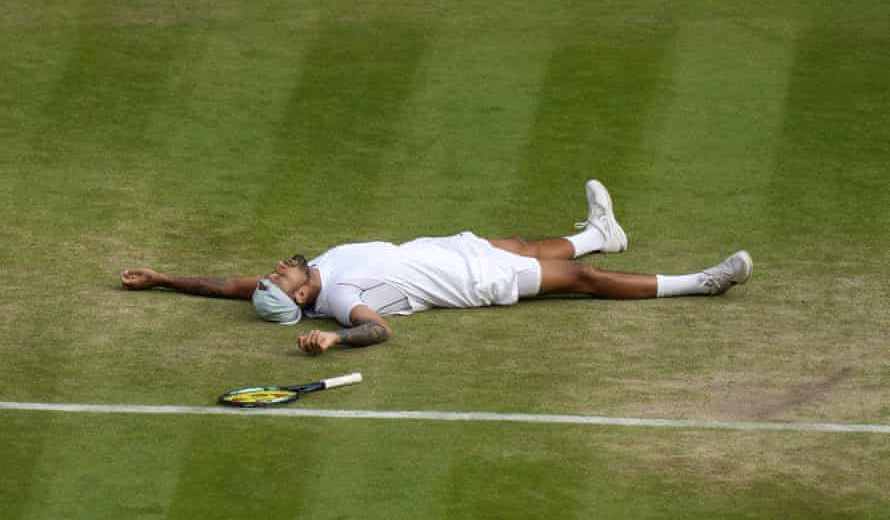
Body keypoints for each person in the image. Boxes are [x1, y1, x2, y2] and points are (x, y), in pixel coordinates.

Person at [121, 180, 752, 355]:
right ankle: (701, 282)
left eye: (272, 272)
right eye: (276, 278)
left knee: (534, 245)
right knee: (582, 286)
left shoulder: (310, 272)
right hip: (475, 283)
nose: (274, 268)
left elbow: (229, 287)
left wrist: (164, 279)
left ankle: (598, 235)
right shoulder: (337, 294)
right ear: (296, 302)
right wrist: (338, 339)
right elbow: (379, 329)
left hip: (453, 249)